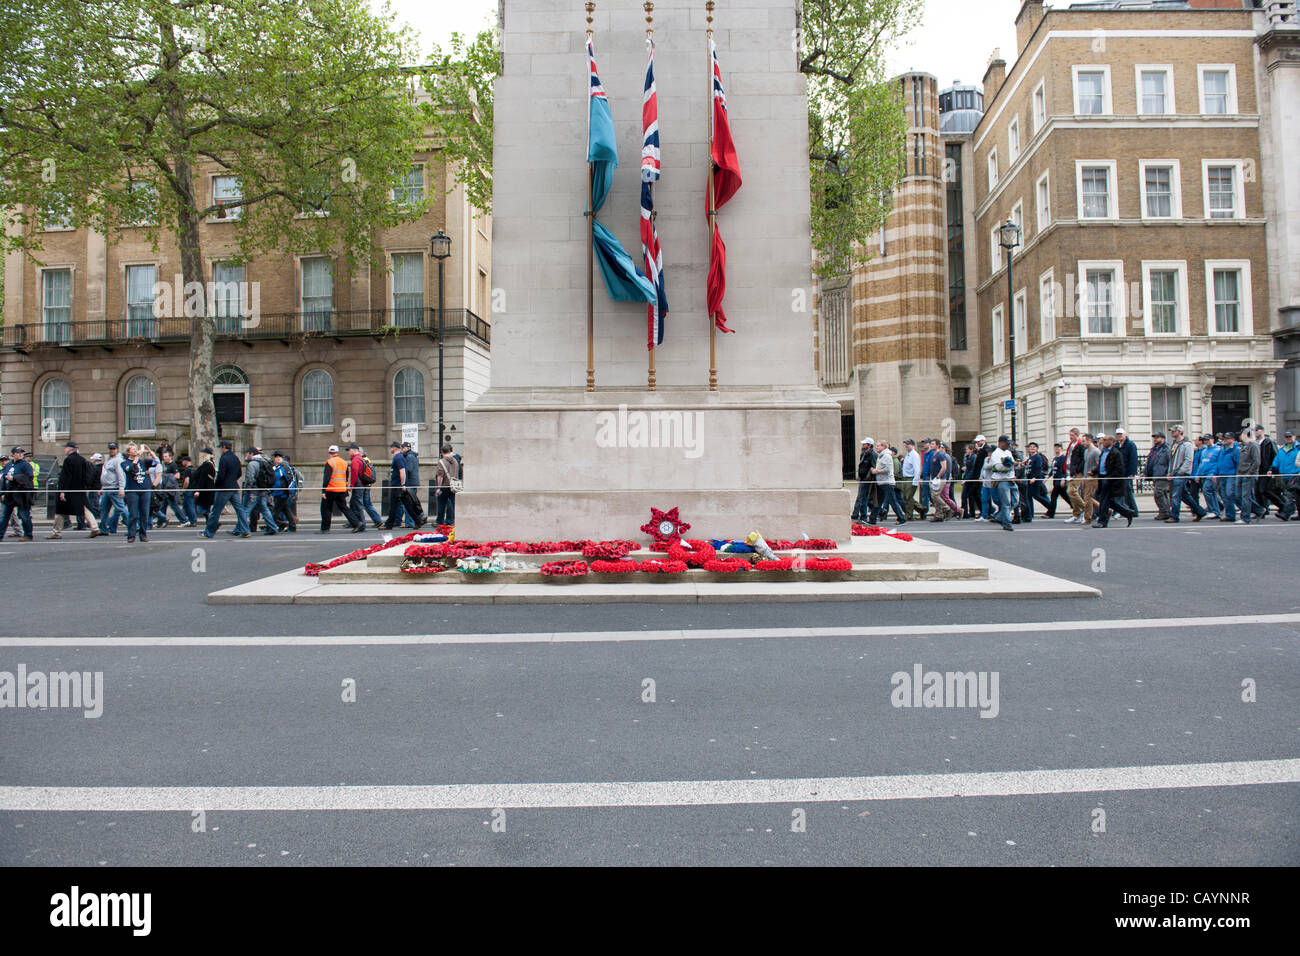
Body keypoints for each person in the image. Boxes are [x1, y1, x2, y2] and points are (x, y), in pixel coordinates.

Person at [48, 441, 101, 538]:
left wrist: (62, 491)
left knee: (61, 511)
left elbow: (65, 477)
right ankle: (95, 527)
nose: (65, 449)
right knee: (84, 509)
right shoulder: (82, 459)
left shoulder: (68, 460)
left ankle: (56, 532)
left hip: (69, 490)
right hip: (80, 488)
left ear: (69, 449)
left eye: (66, 448)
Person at [201, 439, 251, 538]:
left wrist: (217, 484)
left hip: (224, 488)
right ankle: (245, 530)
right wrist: (232, 480)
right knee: (240, 510)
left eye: (220, 447)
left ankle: (209, 532)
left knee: (216, 511)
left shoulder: (224, 458)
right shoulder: (235, 457)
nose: (220, 449)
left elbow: (221, 474)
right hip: (234, 486)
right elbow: (239, 473)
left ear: (224, 447)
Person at [1092, 434, 1135, 528]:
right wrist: (1093, 471)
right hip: (1102, 478)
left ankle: (1102, 521)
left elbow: (1119, 469)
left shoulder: (1116, 453)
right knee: (1106, 501)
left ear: (1111, 441)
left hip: (1111, 481)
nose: (1103, 441)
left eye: (1105, 440)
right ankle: (1128, 512)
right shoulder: (1103, 452)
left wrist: (1109, 478)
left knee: (1104, 500)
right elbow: (1101, 465)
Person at [381, 441, 426, 530]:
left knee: (394, 505)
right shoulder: (399, 457)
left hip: (398, 485)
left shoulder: (398, 457)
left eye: (391, 447)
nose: (390, 449)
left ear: (394, 448)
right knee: (407, 504)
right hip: (399, 485)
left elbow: (402, 471)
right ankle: (417, 521)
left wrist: (403, 484)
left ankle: (389, 524)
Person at [320, 443, 363, 533]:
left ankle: (325, 528)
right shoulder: (344, 462)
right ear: (337, 452)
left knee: (326, 508)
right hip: (341, 488)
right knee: (344, 507)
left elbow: (326, 478)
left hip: (331, 489)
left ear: (329, 452)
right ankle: (356, 523)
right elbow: (346, 475)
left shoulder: (329, 462)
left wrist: (323, 491)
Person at [120, 443, 158, 543]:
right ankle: (131, 535)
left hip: (145, 489)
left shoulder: (143, 461)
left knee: (144, 513)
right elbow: (131, 469)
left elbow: (156, 462)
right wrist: (136, 458)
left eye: (136, 449)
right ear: (128, 452)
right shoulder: (124, 463)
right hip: (132, 490)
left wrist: (150, 452)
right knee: (133, 514)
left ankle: (143, 534)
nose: (135, 451)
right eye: (133, 449)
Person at [1165, 426, 1203, 523]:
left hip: (1182, 473)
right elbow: (1172, 459)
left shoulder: (1187, 444)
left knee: (1175, 494)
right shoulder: (1174, 444)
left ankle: (1174, 516)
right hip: (1174, 473)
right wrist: (1170, 472)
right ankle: (1200, 511)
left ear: (1180, 432)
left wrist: (1181, 471)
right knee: (1183, 495)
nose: (1172, 432)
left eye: (1174, 431)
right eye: (1172, 431)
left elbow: (1189, 459)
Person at [241, 446, 281, 535]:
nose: (246, 455)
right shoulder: (264, 461)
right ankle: (273, 527)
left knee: (246, 509)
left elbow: (250, 478)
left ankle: (241, 528)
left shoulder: (252, 464)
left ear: (251, 454)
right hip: (263, 489)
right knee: (264, 509)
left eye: (247, 453)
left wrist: (248, 489)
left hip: (254, 490)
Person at [0, 446, 36, 541]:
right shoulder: (8, 465)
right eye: (18, 452)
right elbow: (4, 479)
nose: (20, 454)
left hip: (21, 494)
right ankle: (0, 535)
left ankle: (28, 535)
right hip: (9, 494)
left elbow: (29, 477)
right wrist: (2, 493)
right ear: (13, 454)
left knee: (24, 515)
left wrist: (15, 478)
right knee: (4, 515)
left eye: (21, 452)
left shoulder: (25, 465)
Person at [1268, 430, 1299, 520]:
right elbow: (1276, 461)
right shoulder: (1282, 449)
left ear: (1294, 437)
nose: (1288, 439)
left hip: (1295, 475)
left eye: (1290, 436)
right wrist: (1271, 469)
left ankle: (1285, 513)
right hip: (1284, 475)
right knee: (1296, 496)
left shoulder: (1298, 448)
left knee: (1290, 496)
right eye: (1287, 437)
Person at [986, 435, 1015, 531]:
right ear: (1001, 443)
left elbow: (1012, 464)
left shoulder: (1008, 452)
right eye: (1007, 443)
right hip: (1001, 480)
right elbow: (998, 468)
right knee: (1006, 503)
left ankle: (999, 517)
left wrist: (1011, 465)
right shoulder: (996, 454)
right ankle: (1007, 523)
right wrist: (1010, 465)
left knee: (1015, 501)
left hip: (1011, 479)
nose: (1008, 445)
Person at [872, 440, 904, 524]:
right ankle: (872, 519)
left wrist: (876, 471)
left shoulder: (886, 456)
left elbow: (887, 469)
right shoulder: (881, 456)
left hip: (887, 482)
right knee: (878, 502)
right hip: (882, 482)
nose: (877, 447)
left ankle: (901, 518)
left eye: (878, 446)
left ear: (883, 447)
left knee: (893, 501)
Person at [1144, 432, 1171, 521]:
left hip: (1162, 474)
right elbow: (1149, 461)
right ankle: (1166, 511)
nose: (1155, 439)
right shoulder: (1154, 449)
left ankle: (1164, 512)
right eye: (1154, 438)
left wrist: (1169, 473)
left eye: (1157, 438)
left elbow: (1170, 462)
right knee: (1162, 494)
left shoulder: (1166, 449)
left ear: (1163, 439)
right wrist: (1145, 472)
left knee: (1158, 493)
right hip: (1155, 474)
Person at [355, 447, 385, 528]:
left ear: (361, 452)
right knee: (365, 503)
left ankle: (377, 520)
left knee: (365, 503)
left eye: (358, 451)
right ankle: (377, 520)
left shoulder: (363, 459)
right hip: (366, 484)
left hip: (364, 485)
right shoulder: (366, 459)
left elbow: (363, 473)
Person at [1114, 428, 1140, 518]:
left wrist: (1132, 472)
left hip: (1127, 472)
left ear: (1125, 435)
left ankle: (1133, 510)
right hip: (1119, 473)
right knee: (1122, 492)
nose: (1119, 436)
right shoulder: (1116, 445)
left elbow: (1133, 459)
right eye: (1117, 434)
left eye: (1121, 434)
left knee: (1127, 492)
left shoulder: (1130, 445)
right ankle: (1124, 510)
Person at [1195, 435, 1223, 519]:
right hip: (1204, 474)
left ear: (1212, 440)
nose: (1206, 441)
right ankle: (1216, 510)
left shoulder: (1218, 450)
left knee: (1207, 490)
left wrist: (1215, 473)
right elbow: (1201, 464)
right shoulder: (1204, 451)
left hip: (1211, 474)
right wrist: (1197, 475)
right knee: (1211, 492)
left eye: (1208, 440)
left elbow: (1219, 463)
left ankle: (1214, 511)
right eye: (1205, 440)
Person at [1235, 429, 1259, 525]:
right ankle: (1259, 510)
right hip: (1240, 473)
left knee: (1246, 496)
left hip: (1248, 474)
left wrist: (1250, 472)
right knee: (1239, 495)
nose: (1239, 437)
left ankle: (1245, 518)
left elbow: (1256, 461)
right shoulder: (1243, 445)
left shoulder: (1253, 445)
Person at [434, 443, 461, 526]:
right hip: (454, 486)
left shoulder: (442, 462)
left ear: (442, 452)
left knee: (441, 504)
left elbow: (440, 476)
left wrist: (438, 487)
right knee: (452, 504)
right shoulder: (455, 461)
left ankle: (439, 521)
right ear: (450, 451)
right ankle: (451, 520)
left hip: (444, 485)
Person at [1216, 432, 1241, 523]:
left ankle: (1248, 509)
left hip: (1231, 475)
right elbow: (1218, 462)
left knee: (1231, 494)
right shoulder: (1222, 449)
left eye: (1227, 438)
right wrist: (1216, 473)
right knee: (1225, 496)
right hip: (1222, 474)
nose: (1225, 440)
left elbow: (1238, 464)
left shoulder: (1236, 449)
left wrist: (1237, 475)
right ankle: (1230, 515)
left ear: (1232, 440)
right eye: (1224, 438)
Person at [850, 438, 876, 524]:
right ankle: (863, 516)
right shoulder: (864, 454)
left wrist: (869, 477)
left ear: (869, 445)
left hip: (867, 479)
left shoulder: (872, 454)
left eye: (865, 444)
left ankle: (860, 516)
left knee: (862, 498)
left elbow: (873, 466)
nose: (863, 445)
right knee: (863, 498)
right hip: (863, 478)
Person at [899, 439, 923, 521]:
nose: (906, 446)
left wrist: (915, 481)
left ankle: (909, 515)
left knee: (908, 497)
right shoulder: (908, 454)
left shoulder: (914, 455)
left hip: (911, 477)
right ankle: (921, 509)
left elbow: (917, 469)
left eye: (908, 444)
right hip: (906, 477)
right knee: (905, 496)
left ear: (912, 445)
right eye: (905, 444)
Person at [191, 448, 216, 522]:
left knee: (201, 508)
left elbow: (202, 478)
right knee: (205, 507)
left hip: (204, 490)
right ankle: (210, 523)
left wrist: (198, 490)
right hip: (208, 489)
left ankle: (210, 519)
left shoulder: (207, 465)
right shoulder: (210, 464)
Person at [1046, 443, 1068, 519]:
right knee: (1065, 496)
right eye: (1055, 447)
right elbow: (1053, 469)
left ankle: (1050, 513)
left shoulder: (1063, 458)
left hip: (1060, 480)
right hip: (1055, 480)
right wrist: (1048, 477)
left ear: (1061, 448)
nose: (1056, 449)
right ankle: (1075, 507)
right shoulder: (1055, 458)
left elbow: (1064, 469)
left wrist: (1063, 478)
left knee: (1053, 496)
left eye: (1058, 447)